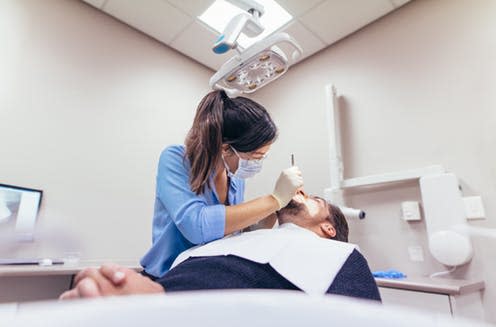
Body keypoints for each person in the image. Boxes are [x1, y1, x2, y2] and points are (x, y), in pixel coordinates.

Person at [60, 192, 381, 302]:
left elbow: (358, 317)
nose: (304, 195)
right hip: (165, 287)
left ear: (329, 228)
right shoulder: (245, 238)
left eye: (316, 200)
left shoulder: (338, 253)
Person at [141, 90, 304, 279]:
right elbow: (198, 226)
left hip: (206, 276)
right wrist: (274, 199)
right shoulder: (176, 159)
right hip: (167, 276)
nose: (258, 163)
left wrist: (272, 212)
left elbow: (231, 234)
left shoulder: (235, 178)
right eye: (256, 156)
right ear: (226, 148)